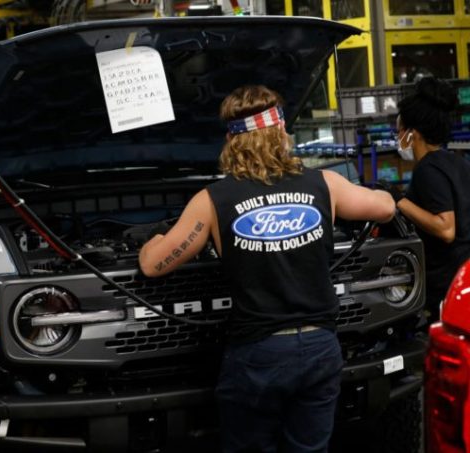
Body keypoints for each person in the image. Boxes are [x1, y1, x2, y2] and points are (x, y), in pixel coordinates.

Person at [138, 85, 396, 453]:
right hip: (321, 348)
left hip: (258, 354)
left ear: (232, 142)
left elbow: (153, 265)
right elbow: (385, 208)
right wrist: (384, 192)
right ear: (281, 134)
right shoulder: (326, 184)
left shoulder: (212, 200)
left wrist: (152, 237)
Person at [391, 77, 470, 323]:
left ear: (412, 133)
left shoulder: (428, 169)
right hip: (462, 279)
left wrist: (399, 201)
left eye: (399, 131)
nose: (398, 137)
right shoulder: (456, 161)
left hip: (445, 282)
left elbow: (446, 228)